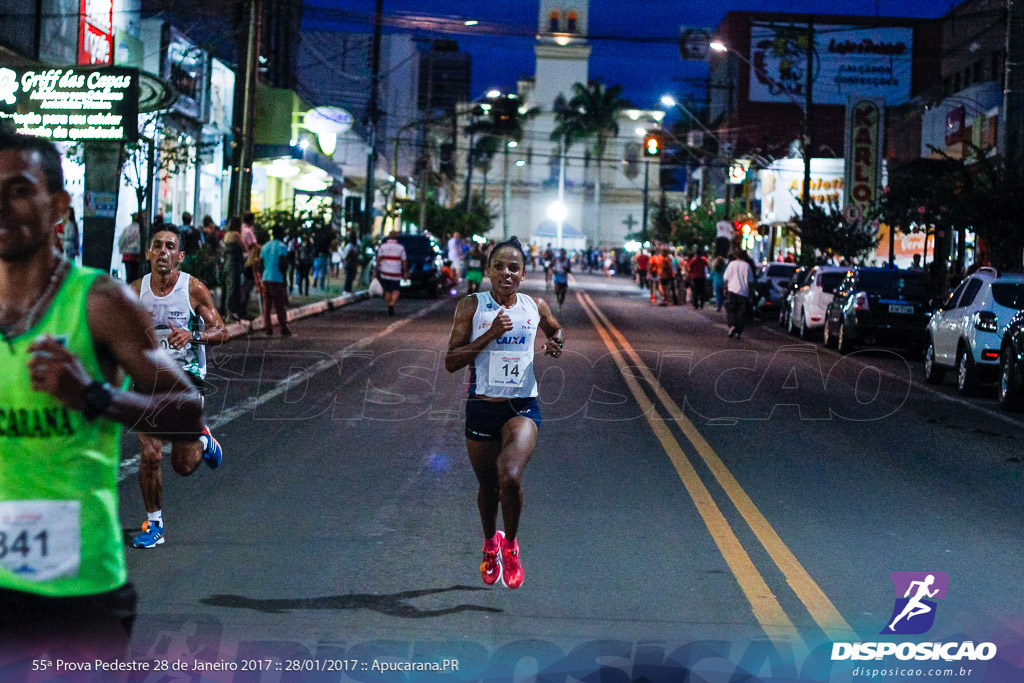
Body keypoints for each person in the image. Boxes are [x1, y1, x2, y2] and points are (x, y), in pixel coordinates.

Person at [0, 133, 203, 653]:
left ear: (59, 207)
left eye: (19, 189)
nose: (1, 204)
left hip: (80, 589)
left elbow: (184, 411)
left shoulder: (99, 302)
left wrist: (93, 396)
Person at [444, 236, 564, 590]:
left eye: (514, 267)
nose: (506, 273)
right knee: (487, 487)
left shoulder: (534, 306)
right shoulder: (471, 306)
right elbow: (451, 361)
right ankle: (489, 544)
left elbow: (556, 330)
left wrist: (557, 343)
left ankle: (510, 545)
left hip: (522, 406)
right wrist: (490, 334)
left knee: (508, 476)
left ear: (523, 274)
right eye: (499, 266)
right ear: (488, 272)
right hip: (481, 406)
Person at [129, 225, 228, 549]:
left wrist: (193, 335)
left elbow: (221, 330)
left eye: (170, 246)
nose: (162, 251)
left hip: (186, 376)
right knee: (150, 452)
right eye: (156, 245)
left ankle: (204, 439)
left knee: (183, 466)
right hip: (148, 378)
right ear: (147, 253)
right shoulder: (134, 290)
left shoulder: (193, 289)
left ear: (180, 256)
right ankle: (154, 523)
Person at [260, 230, 293, 336]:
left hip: (266, 278)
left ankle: (267, 328)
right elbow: (282, 264)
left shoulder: (265, 246)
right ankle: (283, 328)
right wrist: (284, 279)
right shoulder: (282, 246)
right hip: (277, 278)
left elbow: (261, 263)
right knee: (280, 305)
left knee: (267, 304)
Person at [375, 230, 408, 317]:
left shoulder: (383, 247)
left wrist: (376, 270)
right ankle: (392, 304)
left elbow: (379, 260)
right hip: (396, 272)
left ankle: (389, 304)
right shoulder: (400, 248)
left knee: (387, 291)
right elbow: (404, 261)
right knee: (396, 290)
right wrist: (405, 272)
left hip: (385, 272)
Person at [724, 247, 754, 338]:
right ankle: (738, 330)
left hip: (732, 289)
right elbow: (750, 281)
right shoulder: (747, 266)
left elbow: (726, 277)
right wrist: (751, 292)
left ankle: (732, 325)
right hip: (743, 291)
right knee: (741, 312)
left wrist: (725, 288)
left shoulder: (732, 264)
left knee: (731, 309)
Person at [221, 217, 244, 321]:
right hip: (234, 264)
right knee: (233, 288)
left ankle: (226, 312)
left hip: (227, 263)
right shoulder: (236, 235)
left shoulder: (227, 235)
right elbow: (244, 247)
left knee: (227, 288)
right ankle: (230, 312)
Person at [118, 212, 141, 282]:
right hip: (137, 256)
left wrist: (121, 250)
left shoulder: (127, 229)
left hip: (127, 256)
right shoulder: (141, 230)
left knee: (129, 275)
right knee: (136, 275)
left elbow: (121, 241)